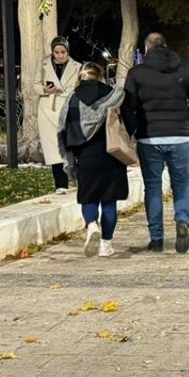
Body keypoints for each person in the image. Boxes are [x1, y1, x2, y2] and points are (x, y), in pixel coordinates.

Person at [122, 32, 189, 253]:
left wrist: (133, 131)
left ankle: (157, 238)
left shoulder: (136, 73)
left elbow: (127, 106)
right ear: (166, 46)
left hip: (149, 137)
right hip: (180, 135)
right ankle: (182, 221)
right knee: (181, 184)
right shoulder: (185, 69)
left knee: (153, 187)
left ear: (146, 48)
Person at [58, 63, 128, 258]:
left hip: (86, 156)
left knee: (88, 197)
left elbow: (62, 129)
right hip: (112, 154)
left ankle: (91, 225)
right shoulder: (115, 95)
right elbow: (129, 120)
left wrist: (69, 157)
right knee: (109, 201)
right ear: (101, 76)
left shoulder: (72, 99)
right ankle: (106, 245)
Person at [36, 37, 81, 194]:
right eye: (57, 52)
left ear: (67, 51)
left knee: (72, 146)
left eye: (63, 52)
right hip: (48, 108)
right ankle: (60, 184)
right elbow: (35, 85)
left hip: (68, 108)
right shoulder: (44, 64)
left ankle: (78, 179)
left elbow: (79, 88)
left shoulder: (77, 67)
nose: (60, 55)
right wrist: (44, 90)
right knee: (53, 149)